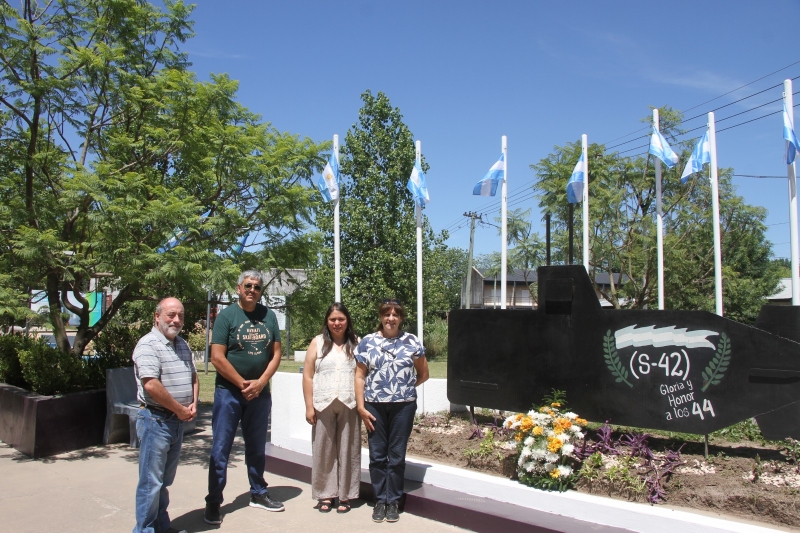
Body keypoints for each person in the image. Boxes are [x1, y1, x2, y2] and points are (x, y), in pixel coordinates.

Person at [204, 270, 284, 525]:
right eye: (248, 285)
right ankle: (214, 502)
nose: (252, 290)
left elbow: (276, 354)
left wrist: (260, 383)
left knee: (257, 447)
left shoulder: (269, 316)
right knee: (221, 449)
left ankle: (258, 492)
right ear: (238, 288)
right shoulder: (226, 316)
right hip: (229, 393)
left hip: (260, 394)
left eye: (257, 287)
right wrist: (242, 384)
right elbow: (217, 357)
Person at [355, 299, 429, 523]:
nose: (391, 318)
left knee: (396, 455)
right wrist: (360, 407)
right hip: (373, 406)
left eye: (396, 314)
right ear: (380, 317)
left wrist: (403, 389)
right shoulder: (367, 342)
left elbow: (423, 374)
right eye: (387, 314)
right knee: (377, 455)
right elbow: (359, 376)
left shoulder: (411, 341)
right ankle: (380, 500)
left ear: (401, 318)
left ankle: (393, 500)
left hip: (403, 407)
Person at [132, 297, 198, 533]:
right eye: (171, 315)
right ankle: (145, 529)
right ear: (157, 316)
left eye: (180, 315)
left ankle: (160, 525)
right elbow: (151, 385)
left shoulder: (182, 344)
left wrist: (193, 403)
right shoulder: (148, 345)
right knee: (151, 483)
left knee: (164, 481)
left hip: (176, 422)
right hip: (155, 421)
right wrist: (179, 409)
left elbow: (193, 376)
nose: (176, 320)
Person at [302, 303, 361, 514]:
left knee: (349, 450)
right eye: (333, 319)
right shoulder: (317, 343)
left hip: (350, 404)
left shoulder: (357, 343)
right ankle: (325, 494)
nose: (337, 323)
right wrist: (310, 406)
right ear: (327, 321)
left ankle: (345, 495)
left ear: (347, 321)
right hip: (322, 404)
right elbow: (308, 376)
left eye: (341, 319)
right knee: (323, 451)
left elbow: (362, 376)